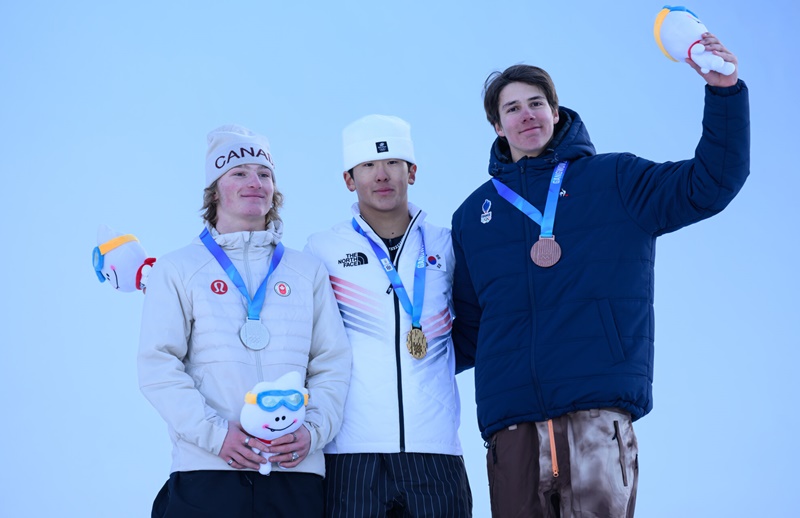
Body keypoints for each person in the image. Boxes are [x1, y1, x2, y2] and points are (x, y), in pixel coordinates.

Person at [451, 33, 749, 518]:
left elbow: (711, 183)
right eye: (512, 109)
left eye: (536, 103)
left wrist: (724, 93)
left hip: (594, 417)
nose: (527, 114)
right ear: (497, 125)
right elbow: (463, 332)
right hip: (513, 432)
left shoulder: (617, 181)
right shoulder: (472, 216)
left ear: (555, 111)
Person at [138, 124, 352, 517]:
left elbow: (332, 363)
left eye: (265, 174)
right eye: (239, 172)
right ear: (214, 190)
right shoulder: (178, 269)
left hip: (294, 473)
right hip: (208, 472)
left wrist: (312, 431)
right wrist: (217, 436)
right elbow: (158, 366)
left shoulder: (306, 271)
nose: (255, 182)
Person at [305, 114, 472, 517]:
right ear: (349, 179)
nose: (382, 175)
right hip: (351, 452)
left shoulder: (445, 245)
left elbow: (473, 324)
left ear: (411, 172)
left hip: (435, 450)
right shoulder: (322, 250)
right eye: (368, 166)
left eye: (393, 163)